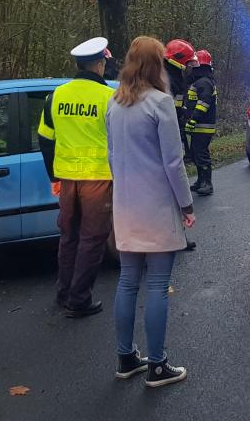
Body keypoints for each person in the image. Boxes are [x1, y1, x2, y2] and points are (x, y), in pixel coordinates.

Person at [105, 36, 195, 388]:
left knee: (128, 282)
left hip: (125, 206)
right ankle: (158, 365)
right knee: (157, 284)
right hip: (156, 206)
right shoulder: (160, 103)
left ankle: (126, 358)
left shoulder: (115, 103)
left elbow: (113, 157)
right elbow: (174, 163)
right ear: (157, 64)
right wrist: (186, 204)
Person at [38, 37, 117, 318]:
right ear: (98, 63)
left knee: (69, 236)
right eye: (104, 62)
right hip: (98, 179)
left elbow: (45, 139)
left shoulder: (56, 96)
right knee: (93, 238)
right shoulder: (109, 99)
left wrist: (54, 176)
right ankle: (79, 299)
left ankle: (64, 292)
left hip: (67, 179)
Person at [165, 39, 198, 250]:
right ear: (178, 63)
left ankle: (177, 235)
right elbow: (170, 116)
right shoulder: (169, 81)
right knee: (173, 188)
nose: (189, 69)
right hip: (168, 140)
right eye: (187, 64)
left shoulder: (172, 79)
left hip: (173, 135)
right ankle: (174, 237)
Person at [184, 49, 217, 196]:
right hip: (198, 126)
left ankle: (207, 183)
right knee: (197, 154)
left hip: (203, 126)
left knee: (202, 155)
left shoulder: (204, 82)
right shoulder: (200, 81)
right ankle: (200, 180)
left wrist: (193, 119)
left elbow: (204, 103)